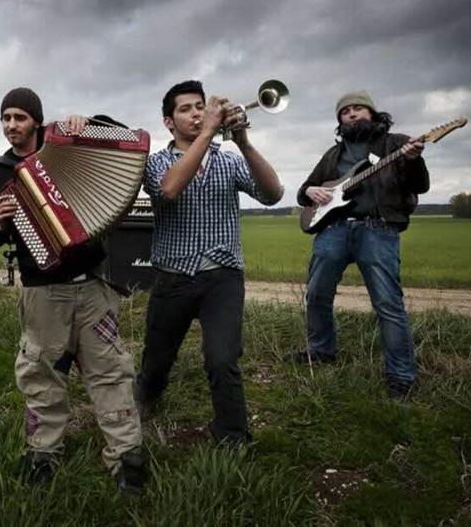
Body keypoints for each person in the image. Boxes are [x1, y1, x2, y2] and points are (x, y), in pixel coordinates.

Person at [0, 87, 147, 497]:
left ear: (36, 120)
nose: (11, 125)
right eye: (6, 118)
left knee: (110, 369)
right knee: (40, 372)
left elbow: (124, 139)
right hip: (42, 292)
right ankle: (43, 451)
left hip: (92, 286)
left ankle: (126, 456)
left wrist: (91, 122)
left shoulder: (66, 143)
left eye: (19, 117)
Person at [135, 80, 284, 447]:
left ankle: (232, 436)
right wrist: (209, 133)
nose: (196, 114)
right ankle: (145, 399)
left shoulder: (230, 160)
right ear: (168, 122)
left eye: (200, 107)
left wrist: (243, 142)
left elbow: (272, 193)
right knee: (156, 359)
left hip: (223, 276)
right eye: (185, 109)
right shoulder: (154, 164)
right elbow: (170, 189)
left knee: (222, 359)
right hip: (173, 276)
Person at [287, 90, 428, 401]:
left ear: (373, 113)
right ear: (340, 120)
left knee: (388, 304)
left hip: (377, 230)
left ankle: (401, 375)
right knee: (316, 294)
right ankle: (321, 351)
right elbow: (302, 191)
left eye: (358, 109)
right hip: (333, 230)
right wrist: (312, 190)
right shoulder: (333, 155)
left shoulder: (396, 144)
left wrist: (414, 160)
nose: (352, 114)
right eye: (345, 111)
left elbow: (420, 185)